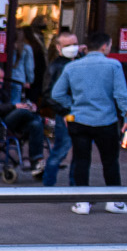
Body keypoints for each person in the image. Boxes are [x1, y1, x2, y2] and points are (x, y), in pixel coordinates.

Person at [48, 29, 127, 214]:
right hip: (106, 121)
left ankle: (82, 202)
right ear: (105, 46)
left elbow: (56, 94)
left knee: (81, 160)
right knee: (110, 161)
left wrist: (71, 106)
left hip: (79, 120)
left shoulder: (72, 67)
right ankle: (114, 201)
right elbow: (121, 96)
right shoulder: (113, 66)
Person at [37, 28, 81, 188]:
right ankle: (48, 184)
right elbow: (48, 94)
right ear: (58, 47)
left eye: (75, 44)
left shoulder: (78, 61)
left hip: (81, 113)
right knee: (61, 149)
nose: (73, 48)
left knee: (80, 151)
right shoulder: (56, 66)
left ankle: (76, 185)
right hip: (67, 115)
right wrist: (64, 112)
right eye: (68, 45)